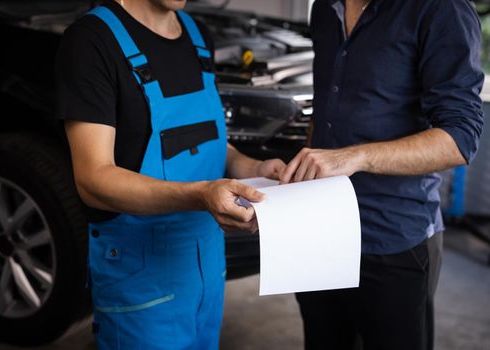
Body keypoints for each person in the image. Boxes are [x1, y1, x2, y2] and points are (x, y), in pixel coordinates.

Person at [54, 0, 285, 348]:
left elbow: (206, 142)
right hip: (141, 278)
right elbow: (93, 180)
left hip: (206, 265)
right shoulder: (91, 41)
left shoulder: (196, 34)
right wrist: (199, 194)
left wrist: (254, 169)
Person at [280, 0, 484, 349]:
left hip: (393, 235)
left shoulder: (440, 9)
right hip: (319, 232)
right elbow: (327, 106)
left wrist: (355, 157)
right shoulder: (325, 10)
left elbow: (460, 138)